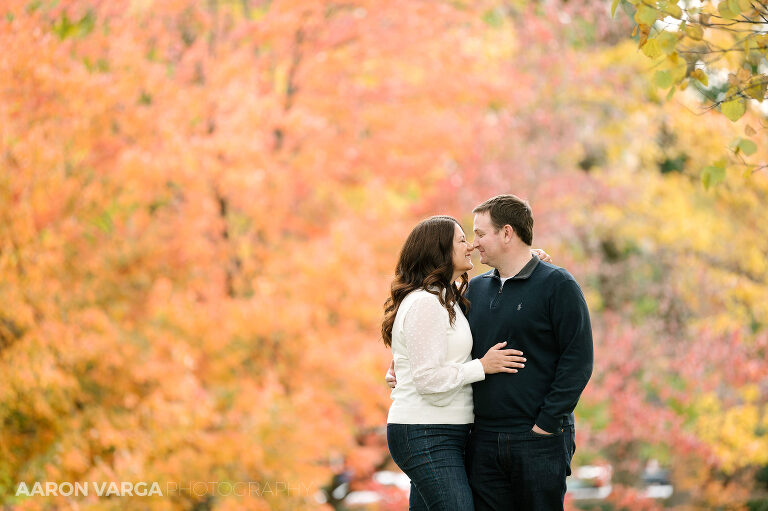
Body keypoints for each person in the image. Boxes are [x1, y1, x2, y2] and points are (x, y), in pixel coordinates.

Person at [382, 215, 549, 511]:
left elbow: (493, 286)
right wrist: (481, 366)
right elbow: (427, 380)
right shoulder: (426, 303)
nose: (470, 246)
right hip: (424, 432)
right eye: (462, 240)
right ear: (440, 250)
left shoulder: (447, 298)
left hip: (447, 430)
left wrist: (527, 258)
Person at [464, 194, 593, 510]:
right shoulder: (474, 290)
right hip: (483, 442)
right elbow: (445, 341)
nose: (473, 243)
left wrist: (545, 425)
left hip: (539, 440)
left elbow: (578, 360)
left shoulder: (557, 284)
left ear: (507, 233)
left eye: (481, 233)